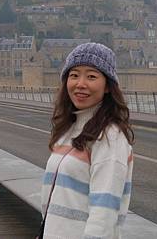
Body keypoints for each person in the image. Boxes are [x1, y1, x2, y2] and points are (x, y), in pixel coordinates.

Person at [40, 42, 134, 239]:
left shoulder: (110, 136)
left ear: (108, 86)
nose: (80, 84)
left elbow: (105, 213)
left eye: (91, 76)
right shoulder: (69, 129)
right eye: (74, 75)